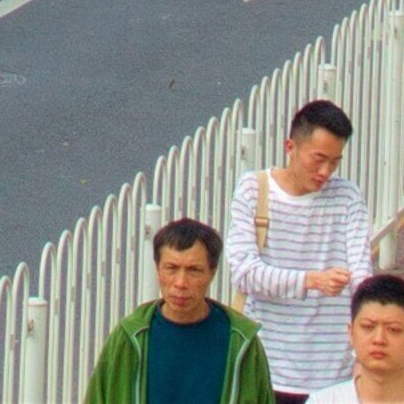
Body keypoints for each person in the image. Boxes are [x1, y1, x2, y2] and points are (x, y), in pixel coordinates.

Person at [223, 100, 374, 403]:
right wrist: (311, 280)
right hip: (267, 367)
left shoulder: (347, 196)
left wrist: (364, 351)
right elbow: (244, 272)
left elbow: (362, 276)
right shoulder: (254, 189)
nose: (325, 171)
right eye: (318, 159)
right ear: (290, 146)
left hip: (334, 373)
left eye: (335, 162)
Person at [83, 220, 278, 404]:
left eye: (194, 270)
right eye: (171, 268)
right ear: (158, 270)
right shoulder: (129, 338)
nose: (181, 283)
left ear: (212, 272)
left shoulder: (241, 342)